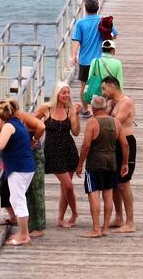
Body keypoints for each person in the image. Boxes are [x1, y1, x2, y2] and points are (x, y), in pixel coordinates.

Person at [74, 95, 129, 239]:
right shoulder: (115, 122)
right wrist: (124, 163)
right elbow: (124, 144)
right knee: (108, 195)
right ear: (105, 107)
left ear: (92, 108)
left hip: (95, 164)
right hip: (111, 163)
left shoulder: (92, 122)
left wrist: (80, 164)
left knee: (94, 195)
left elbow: (86, 145)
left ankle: (95, 229)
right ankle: (105, 228)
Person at [0, 102, 36, 246]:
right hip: (25, 166)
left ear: (0, 120)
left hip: (19, 168)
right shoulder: (16, 123)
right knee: (16, 199)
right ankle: (22, 232)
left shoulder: (7, 126)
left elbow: (0, 145)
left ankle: (24, 235)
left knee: (18, 201)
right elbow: (3, 139)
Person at [34, 82, 80, 228]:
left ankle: (60, 219)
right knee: (68, 185)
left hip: (69, 149)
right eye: (63, 92)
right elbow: (31, 122)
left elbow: (76, 132)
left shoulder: (70, 110)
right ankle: (75, 212)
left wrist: (77, 115)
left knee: (65, 188)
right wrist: (32, 139)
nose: (66, 95)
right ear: (57, 94)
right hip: (53, 151)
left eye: (68, 92)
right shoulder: (45, 109)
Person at [71, 0, 116, 116]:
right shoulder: (103, 20)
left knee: (84, 86)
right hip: (102, 60)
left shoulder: (80, 23)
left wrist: (74, 55)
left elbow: (76, 40)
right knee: (103, 85)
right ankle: (103, 108)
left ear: (85, 8)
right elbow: (114, 35)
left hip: (85, 60)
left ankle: (85, 110)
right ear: (98, 8)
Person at [101, 76, 136, 233]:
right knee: (114, 183)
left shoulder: (126, 102)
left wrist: (100, 115)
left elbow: (114, 123)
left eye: (103, 89)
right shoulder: (110, 102)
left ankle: (130, 222)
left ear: (112, 87)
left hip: (125, 143)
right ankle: (119, 217)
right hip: (112, 144)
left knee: (123, 183)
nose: (102, 92)